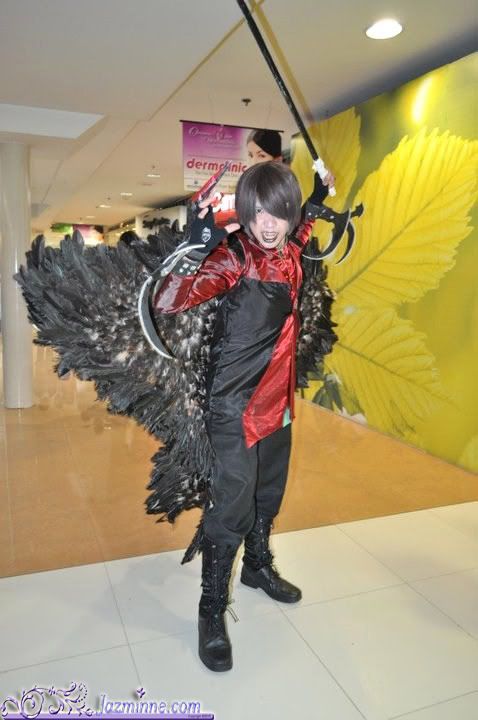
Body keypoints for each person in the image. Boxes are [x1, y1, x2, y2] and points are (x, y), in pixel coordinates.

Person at [154, 161, 325, 672]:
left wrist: (317, 196)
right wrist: (194, 248)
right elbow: (168, 302)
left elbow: (302, 228)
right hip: (233, 405)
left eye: (279, 214)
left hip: (278, 403)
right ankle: (210, 609)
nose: (268, 225)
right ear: (246, 213)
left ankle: (256, 566)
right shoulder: (235, 258)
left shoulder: (290, 249)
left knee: (268, 491)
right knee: (232, 504)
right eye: (258, 214)